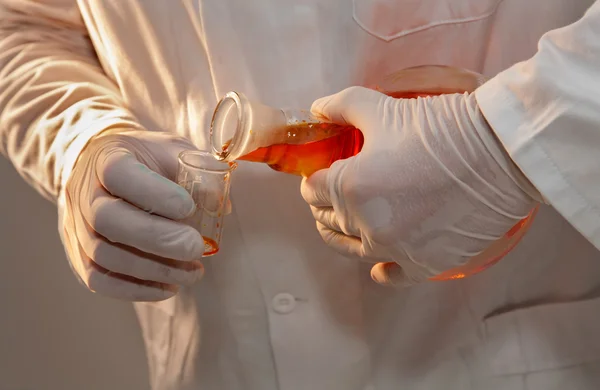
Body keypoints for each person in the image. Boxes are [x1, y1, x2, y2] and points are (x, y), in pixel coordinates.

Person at [1, 0, 600, 389]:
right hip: (219, 362)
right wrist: (82, 139)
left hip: (516, 346)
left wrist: (513, 138)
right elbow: (23, 24)